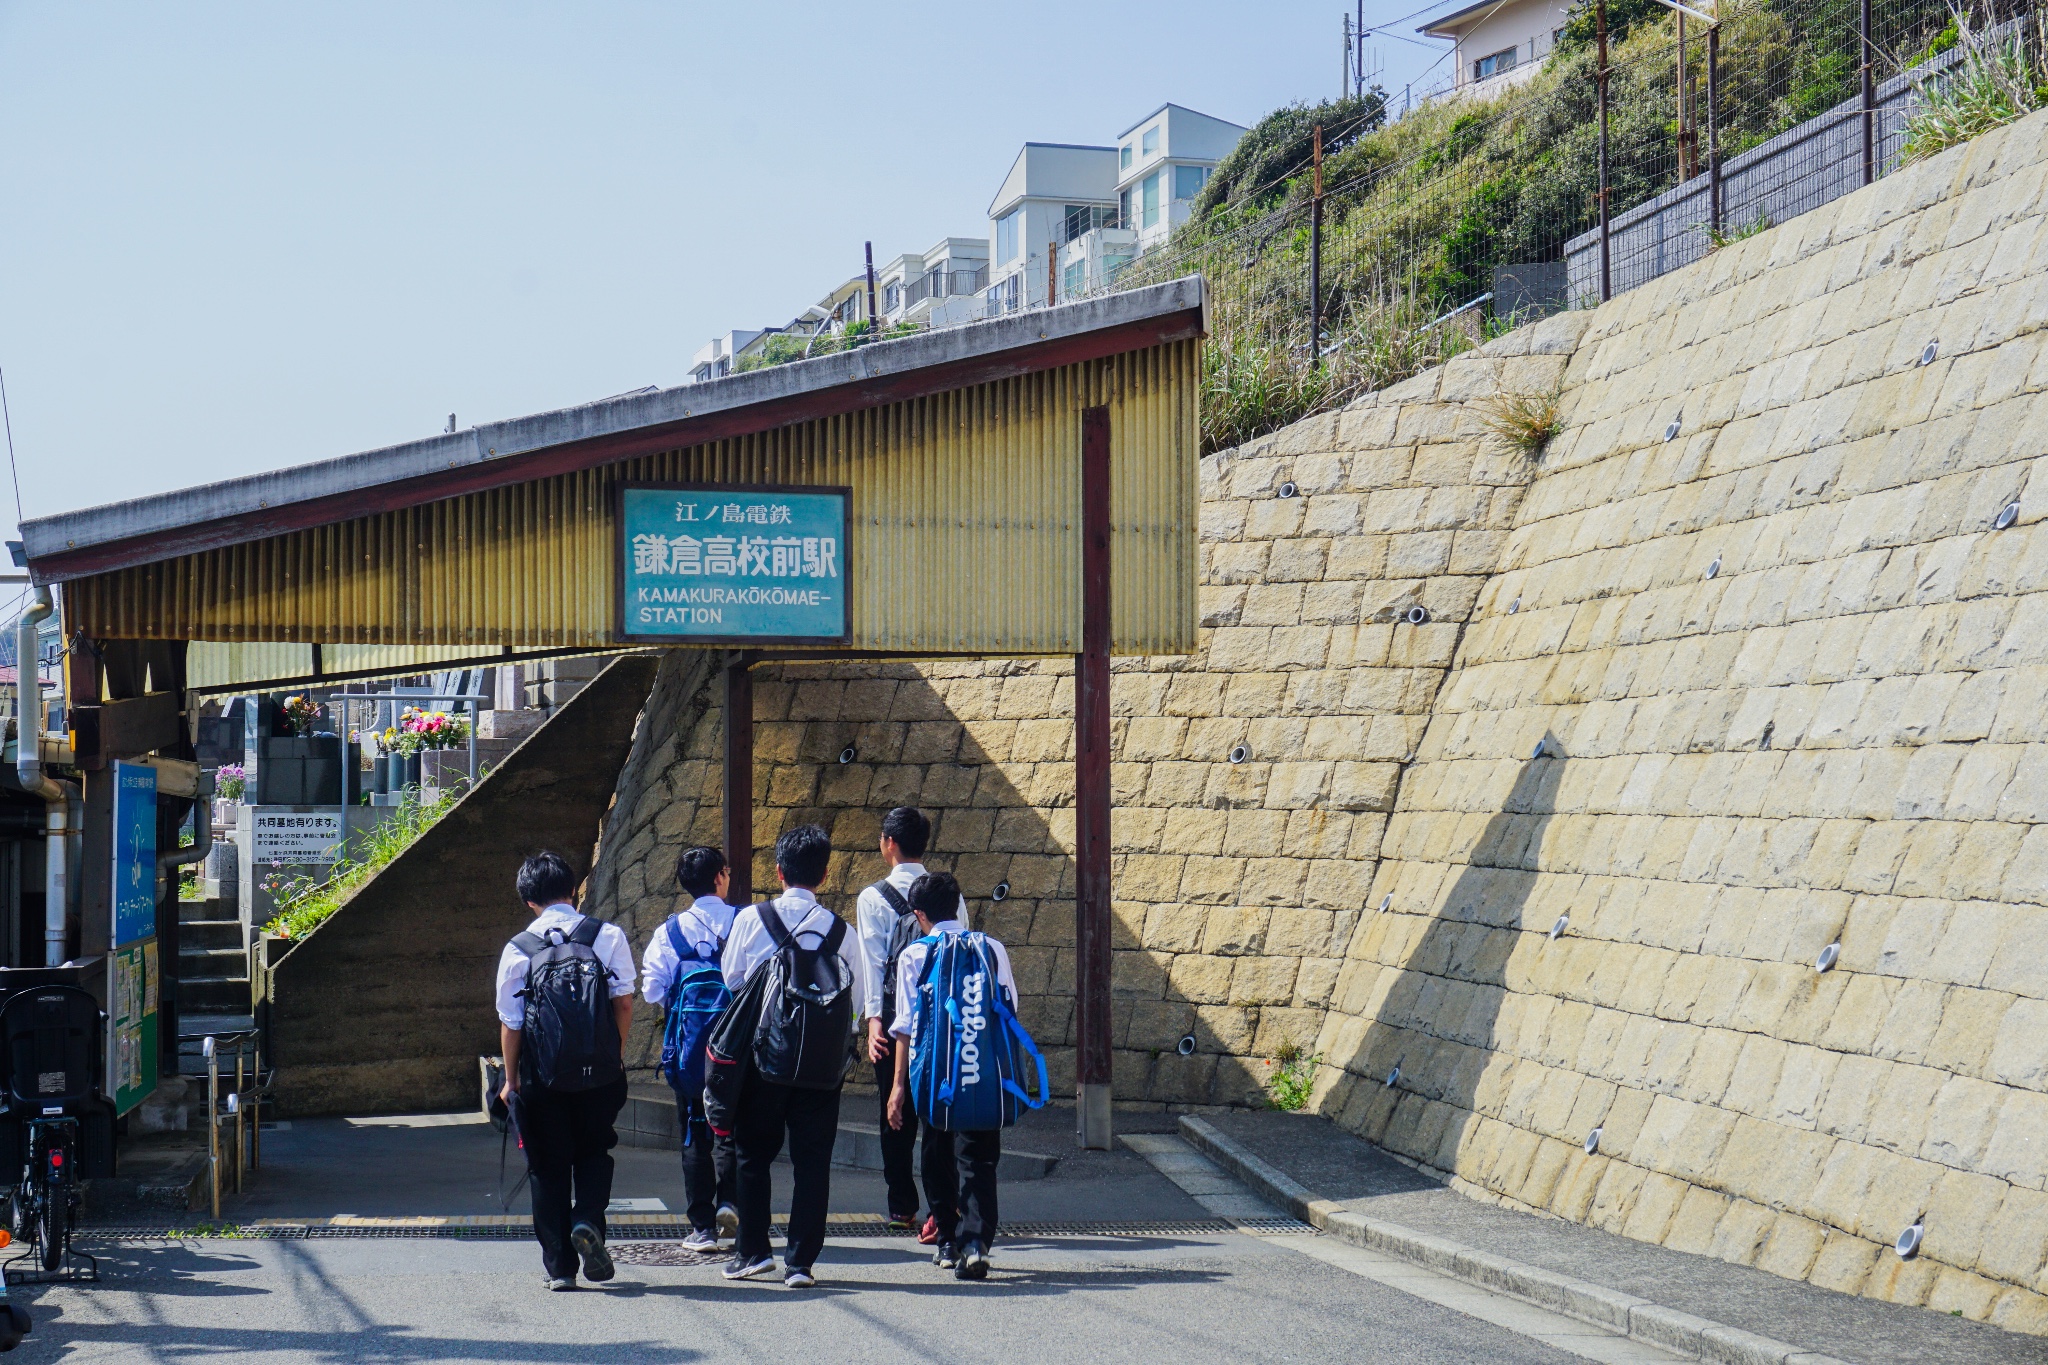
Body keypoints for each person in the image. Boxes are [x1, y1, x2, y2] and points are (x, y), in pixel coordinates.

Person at [719, 823, 864, 1288]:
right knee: (812, 1162)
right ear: (824, 876)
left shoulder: (751, 920)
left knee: (751, 1156)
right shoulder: (844, 933)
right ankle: (800, 1262)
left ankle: (754, 1252)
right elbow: (856, 1004)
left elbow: (733, 982)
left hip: (765, 1060)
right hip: (823, 1066)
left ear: (778, 871)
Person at [495, 850, 636, 1292]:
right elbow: (625, 1001)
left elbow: (511, 1022)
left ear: (528, 900)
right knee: (595, 1152)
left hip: (542, 1075)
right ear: (573, 890)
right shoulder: (607, 935)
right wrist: (613, 1053)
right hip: (601, 1071)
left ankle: (559, 1268)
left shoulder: (518, 949)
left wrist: (512, 1080)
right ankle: (587, 1219)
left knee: (547, 1166)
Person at [887, 870, 1019, 1281]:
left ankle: (946, 1239)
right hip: (982, 1072)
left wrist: (897, 1088)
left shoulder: (916, 955)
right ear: (958, 905)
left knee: (936, 1151)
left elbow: (905, 1027)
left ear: (919, 914)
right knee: (979, 1158)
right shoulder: (991, 948)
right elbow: (1010, 1007)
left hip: (935, 1075)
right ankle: (976, 1242)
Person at [853, 807, 968, 1233]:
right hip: (946, 1019)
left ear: (889, 843)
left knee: (895, 1111)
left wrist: (872, 1021)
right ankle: (946, 1205)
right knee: (941, 1116)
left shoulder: (873, 897)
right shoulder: (947, 893)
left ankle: (902, 1205)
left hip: (893, 1016)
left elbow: (871, 962)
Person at [641, 845, 739, 1252]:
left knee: (694, 1133)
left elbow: (651, 991)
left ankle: (701, 1227)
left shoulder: (670, 932)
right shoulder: (745, 922)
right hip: (738, 1053)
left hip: (689, 1053)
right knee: (736, 1129)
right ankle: (731, 1203)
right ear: (720, 877)